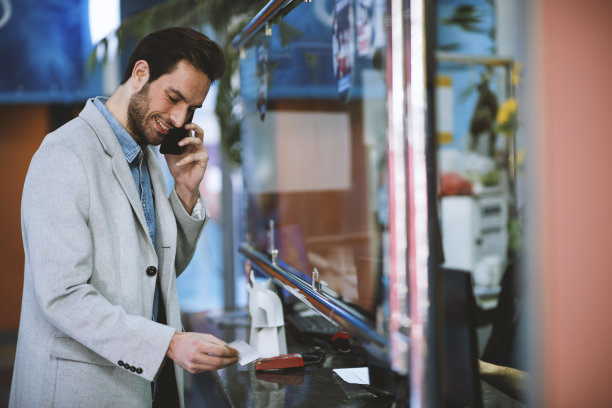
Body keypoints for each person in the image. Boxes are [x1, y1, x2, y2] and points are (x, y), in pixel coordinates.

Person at [9, 27, 238, 408]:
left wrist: (185, 190)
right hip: (78, 391)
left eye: (192, 109)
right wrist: (169, 343)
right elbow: (63, 296)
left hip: (142, 386)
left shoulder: (147, 156)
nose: (180, 117)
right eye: (174, 98)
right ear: (140, 74)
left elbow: (158, 271)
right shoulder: (63, 154)